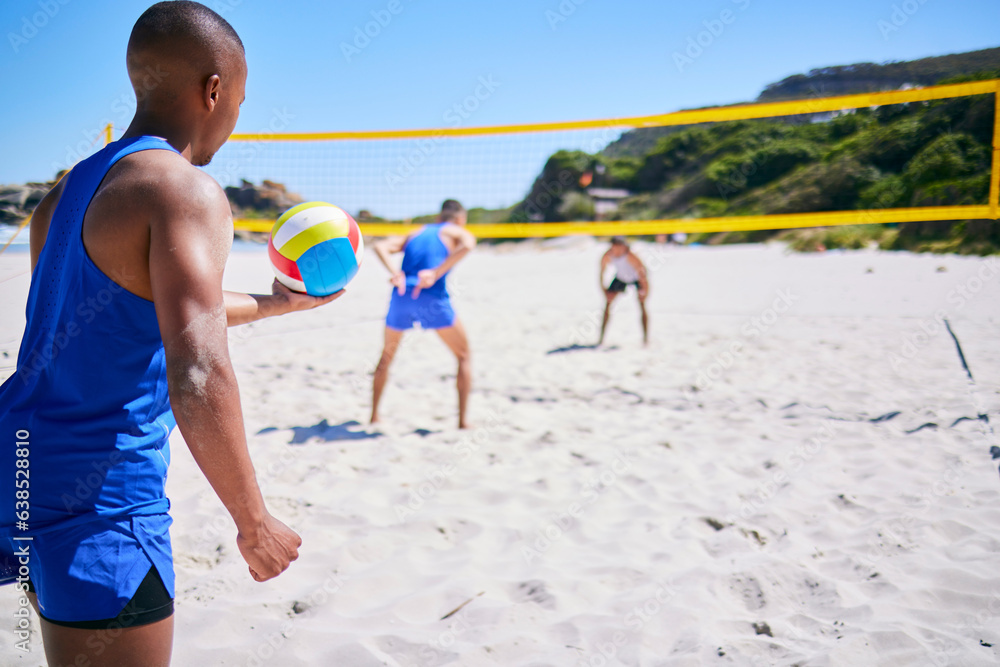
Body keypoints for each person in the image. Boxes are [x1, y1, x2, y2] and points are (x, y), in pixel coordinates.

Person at [0, 3, 340, 665]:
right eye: (240, 99)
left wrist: (276, 304)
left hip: (16, 466)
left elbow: (121, 312)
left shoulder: (64, 193)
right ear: (214, 89)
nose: (236, 116)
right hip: (101, 495)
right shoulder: (183, 190)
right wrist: (253, 520)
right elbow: (197, 370)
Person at [371, 200, 476, 429]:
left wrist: (394, 272)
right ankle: (463, 422)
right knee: (464, 355)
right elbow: (469, 244)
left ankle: (374, 416)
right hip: (431, 296)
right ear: (460, 218)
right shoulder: (454, 230)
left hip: (401, 296)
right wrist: (437, 272)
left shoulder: (415, 231)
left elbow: (379, 246)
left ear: (439, 216)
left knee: (386, 357)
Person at [598, 236, 649, 346]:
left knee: (642, 305)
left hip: (636, 279)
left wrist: (644, 290)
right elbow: (601, 273)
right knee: (607, 305)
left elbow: (642, 273)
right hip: (621, 278)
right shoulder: (608, 255)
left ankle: (645, 339)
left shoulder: (630, 256)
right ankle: (601, 339)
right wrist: (604, 290)